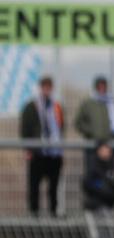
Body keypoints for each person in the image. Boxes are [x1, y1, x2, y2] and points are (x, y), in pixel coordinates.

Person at [20, 76, 64, 216]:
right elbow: (25, 128)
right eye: (44, 86)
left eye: (49, 86)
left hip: (54, 153)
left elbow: (61, 126)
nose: (46, 89)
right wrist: (28, 148)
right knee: (34, 186)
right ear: (40, 88)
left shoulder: (56, 106)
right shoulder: (31, 106)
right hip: (37, 153)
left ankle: (53, 213)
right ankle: (34, 214)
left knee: (53, 186)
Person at [75, 76, 114, 143]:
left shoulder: (113, 103)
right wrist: (91, 132)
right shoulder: (88, 103)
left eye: (104, 86)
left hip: (111, 143)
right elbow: (79, 122)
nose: (102, 88)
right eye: (99, 86)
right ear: (96, 87)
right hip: (92, 143)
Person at [82, 141, 114, 211]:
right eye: (103, 150)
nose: (106, 153)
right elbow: (87, 183)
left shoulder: (113, 167)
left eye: (108, 151)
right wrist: (101, 187)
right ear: (98, 151)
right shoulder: (93, 167)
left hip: (109, 204)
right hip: (95, 204)